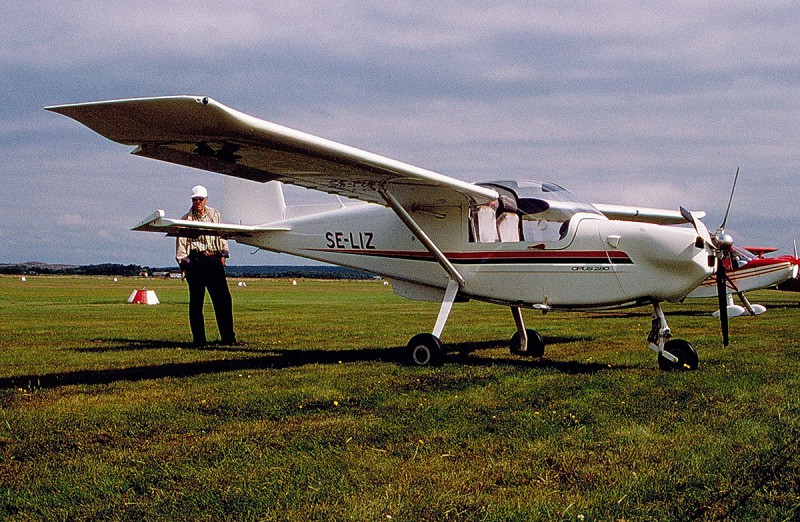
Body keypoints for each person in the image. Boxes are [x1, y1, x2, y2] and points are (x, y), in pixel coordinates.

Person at [176, 185, 240, 346]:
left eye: (200, 199)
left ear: (206, 200)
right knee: (196, 303)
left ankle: (228, 338)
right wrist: (185, 264)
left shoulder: (214, 215)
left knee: (223, 300)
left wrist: (223, 254)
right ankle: (199, 340)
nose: (198, 202)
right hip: (195, 261)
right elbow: (181, 246)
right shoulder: (185, 220)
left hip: (213, 260)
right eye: (195, 199)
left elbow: (222, 234)